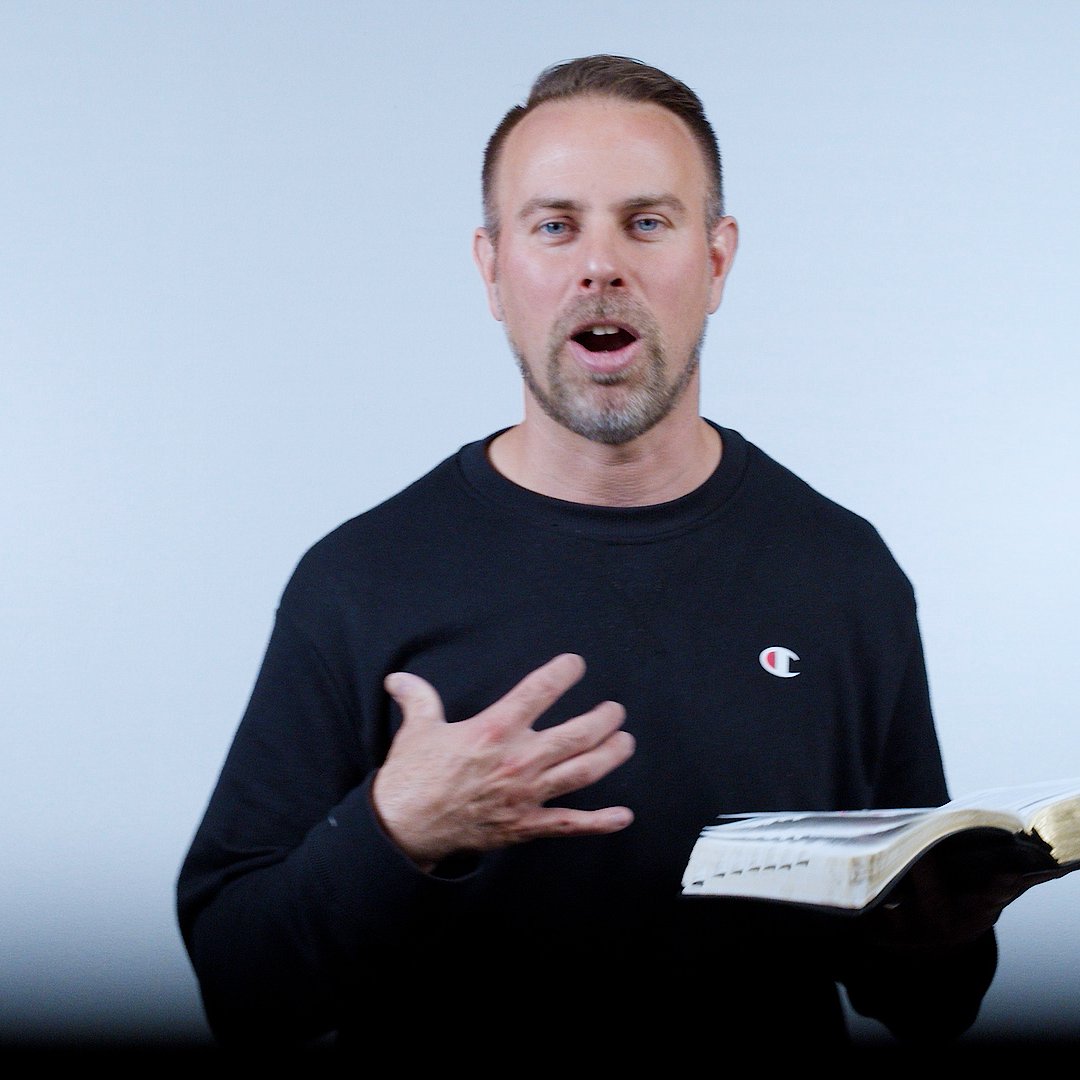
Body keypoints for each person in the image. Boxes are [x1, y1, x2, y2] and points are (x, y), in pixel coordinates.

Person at [177, 54, 1037, 1055]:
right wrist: (394, 827)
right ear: (493, 270)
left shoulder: (843, 573)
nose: (600, 266)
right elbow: (241, 988)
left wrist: (939, 937)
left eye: (647, 222)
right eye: (555, 226)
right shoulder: (358, 580)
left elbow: (930, 1006)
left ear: (716, 261)